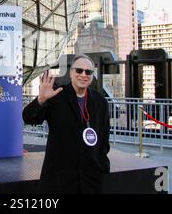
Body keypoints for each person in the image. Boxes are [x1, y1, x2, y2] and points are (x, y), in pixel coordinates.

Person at [23, 55, 110, 194]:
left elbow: (104, 136)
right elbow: (29, 118)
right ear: (71, 73)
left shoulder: (99, 101)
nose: (83, 75)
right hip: (60, 179)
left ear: (92, 76)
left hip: (90, 180)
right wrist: (41, 100)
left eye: (88, 72)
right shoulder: (56, 95)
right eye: (79, 70)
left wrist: (102, 164)